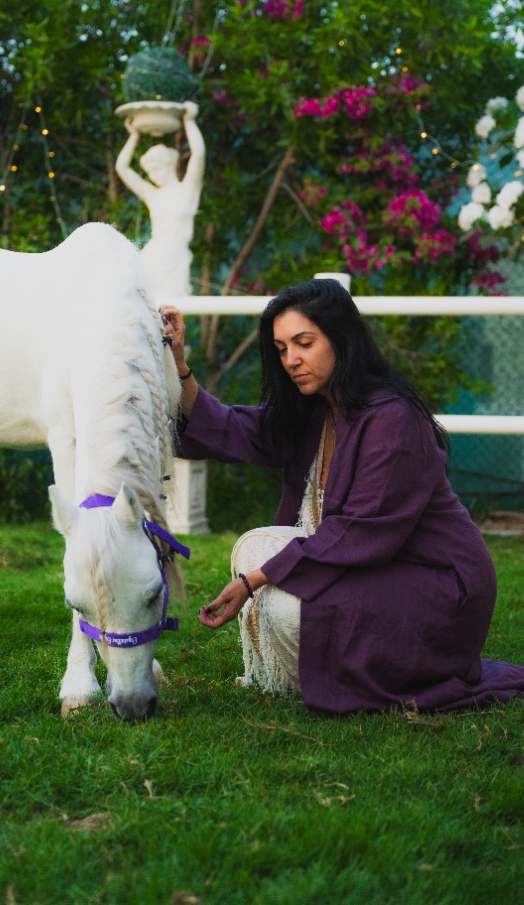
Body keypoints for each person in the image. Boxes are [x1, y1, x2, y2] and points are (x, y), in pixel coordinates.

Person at [160, 280, 524, 713]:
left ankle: (340, 668)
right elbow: (229, 429)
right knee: (254, 549)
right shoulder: (317, 408)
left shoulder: (392, 417)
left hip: (437, 586)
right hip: (373, 568)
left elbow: (360, 530)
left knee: (281, 600)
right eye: (281, 348)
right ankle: (307, 668)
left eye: (304, 343)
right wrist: (178, 363)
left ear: (341, 338)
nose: (292, 360)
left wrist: (253, 581)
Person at [115, 101, 205, 302]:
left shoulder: (187, 190)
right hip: (154, 254)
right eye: (150, 172)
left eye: (157, 169)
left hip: (176, 255)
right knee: (144, 304)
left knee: (173, 308)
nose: (154, 175)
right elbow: (121, 168)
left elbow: (198, 156)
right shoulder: (153, 194)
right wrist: (134, 135)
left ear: (170, 165)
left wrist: (189, 122)